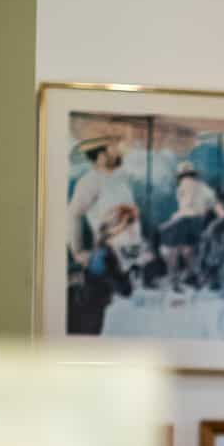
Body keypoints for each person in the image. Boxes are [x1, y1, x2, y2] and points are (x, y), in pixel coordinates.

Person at [66, 136, 141, 335]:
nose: (119, 151)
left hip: (128, 256)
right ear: (100, 157)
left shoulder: (120, 179)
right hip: (107, 259)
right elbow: (73, 213)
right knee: (101, 317)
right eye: (113, 149)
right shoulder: (90, 182)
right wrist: (78, 250)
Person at [157, 162, 224, 294]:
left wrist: (173, 219)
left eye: (186, 176)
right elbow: (212, 203)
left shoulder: (184, 187)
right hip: (197, 222)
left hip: (186, 220)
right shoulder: (203, 187)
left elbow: (186, 209)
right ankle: (190, 276)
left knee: (171, 248)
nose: (186, 179)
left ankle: (175, 280)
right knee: (187, 249)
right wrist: (219, 213)